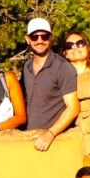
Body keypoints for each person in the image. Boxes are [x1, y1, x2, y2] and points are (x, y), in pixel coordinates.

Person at [21, 18, 79, 151]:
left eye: (44, 36)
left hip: (53, 142)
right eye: (35, 37)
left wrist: (50, 134)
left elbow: (73, 107)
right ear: (27, 39)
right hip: (29, 140)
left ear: (50, 38)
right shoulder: (27, 67)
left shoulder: (63, 68)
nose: (40, 40)